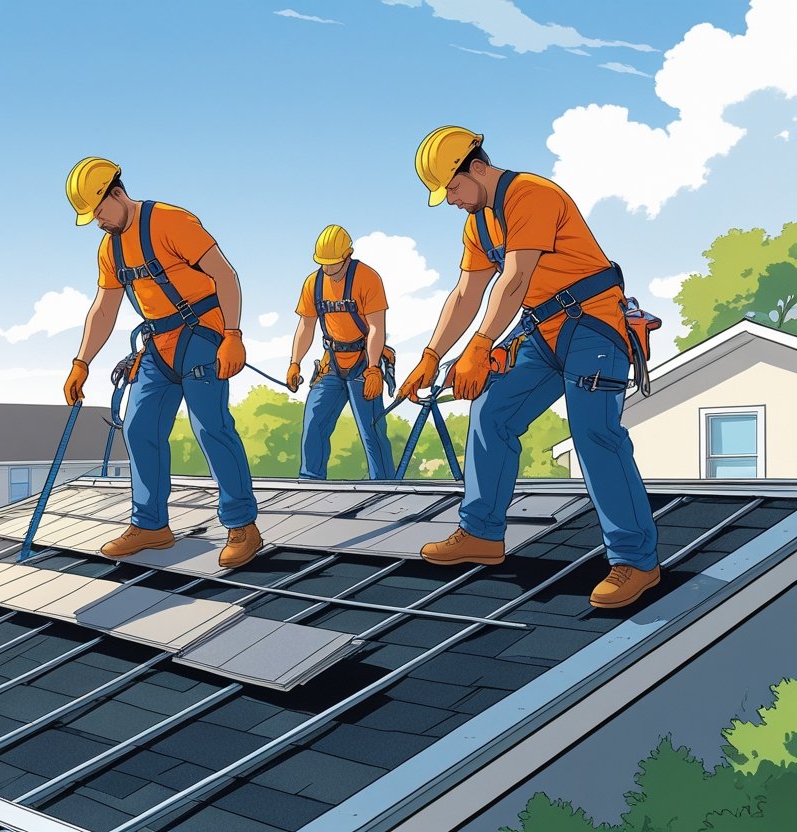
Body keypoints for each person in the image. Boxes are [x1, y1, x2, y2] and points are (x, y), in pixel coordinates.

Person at [401, 126, 659, 609]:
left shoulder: (531, 195)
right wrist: (431, 356)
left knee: (594, 433)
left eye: (452, 188)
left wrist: (480, 346)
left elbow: (516, 278)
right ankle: (481, 533)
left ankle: (636, 560)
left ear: (478, 168)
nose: (451, 199)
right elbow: (467, 293)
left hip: (593, 328)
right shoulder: (479, 223)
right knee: (492, 413)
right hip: (542, 333)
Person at [62, 157, 263, 569]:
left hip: (202, 334)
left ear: (117, 193)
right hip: (157, 343)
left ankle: (243, 526)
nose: (98, 221)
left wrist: (233, 335)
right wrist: (82, 362)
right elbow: (104, 308)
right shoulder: (110, 248)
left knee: (211, 427)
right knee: (139, 427)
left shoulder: (171, 222)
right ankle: (151, 525)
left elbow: (225, 275)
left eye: (99, 211)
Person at [288, 224, 395, 480]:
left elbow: (376, 327)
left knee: (371, 429)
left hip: (363, 361)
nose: (327, 269)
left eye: (333, 264)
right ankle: (310, 481)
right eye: (323, 264)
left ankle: (384, 485)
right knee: (314, 422)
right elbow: (306, 325)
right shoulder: (313, 283)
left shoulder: (367, 278)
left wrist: (373, 370)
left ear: (348, 256)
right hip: (332, 363)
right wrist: (295, 363)